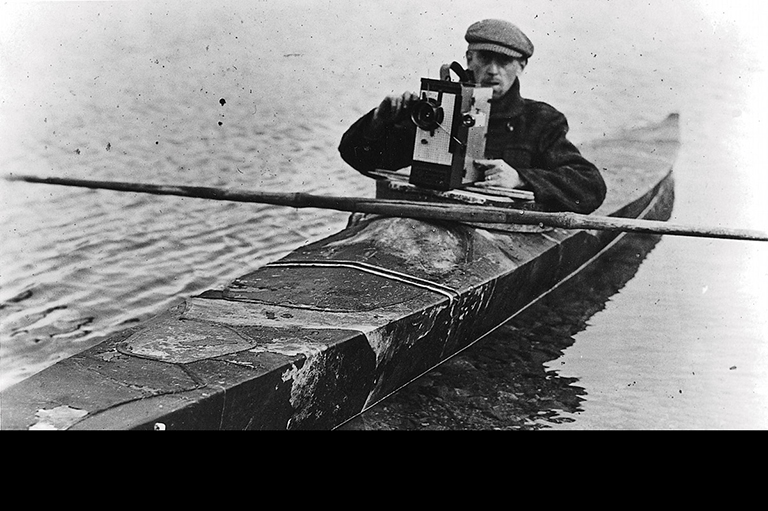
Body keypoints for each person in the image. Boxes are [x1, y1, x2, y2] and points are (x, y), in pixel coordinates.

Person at [338, 19, 607, 214]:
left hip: (499, 236)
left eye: (503, 62)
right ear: (468, 58)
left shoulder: (540, 121)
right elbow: (362, 159)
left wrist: (522, 178)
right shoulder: (440, 111)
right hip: (433, 225)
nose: (492, 70)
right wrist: (378, 122)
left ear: (521, 65)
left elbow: (590, 186)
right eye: (485, 58)